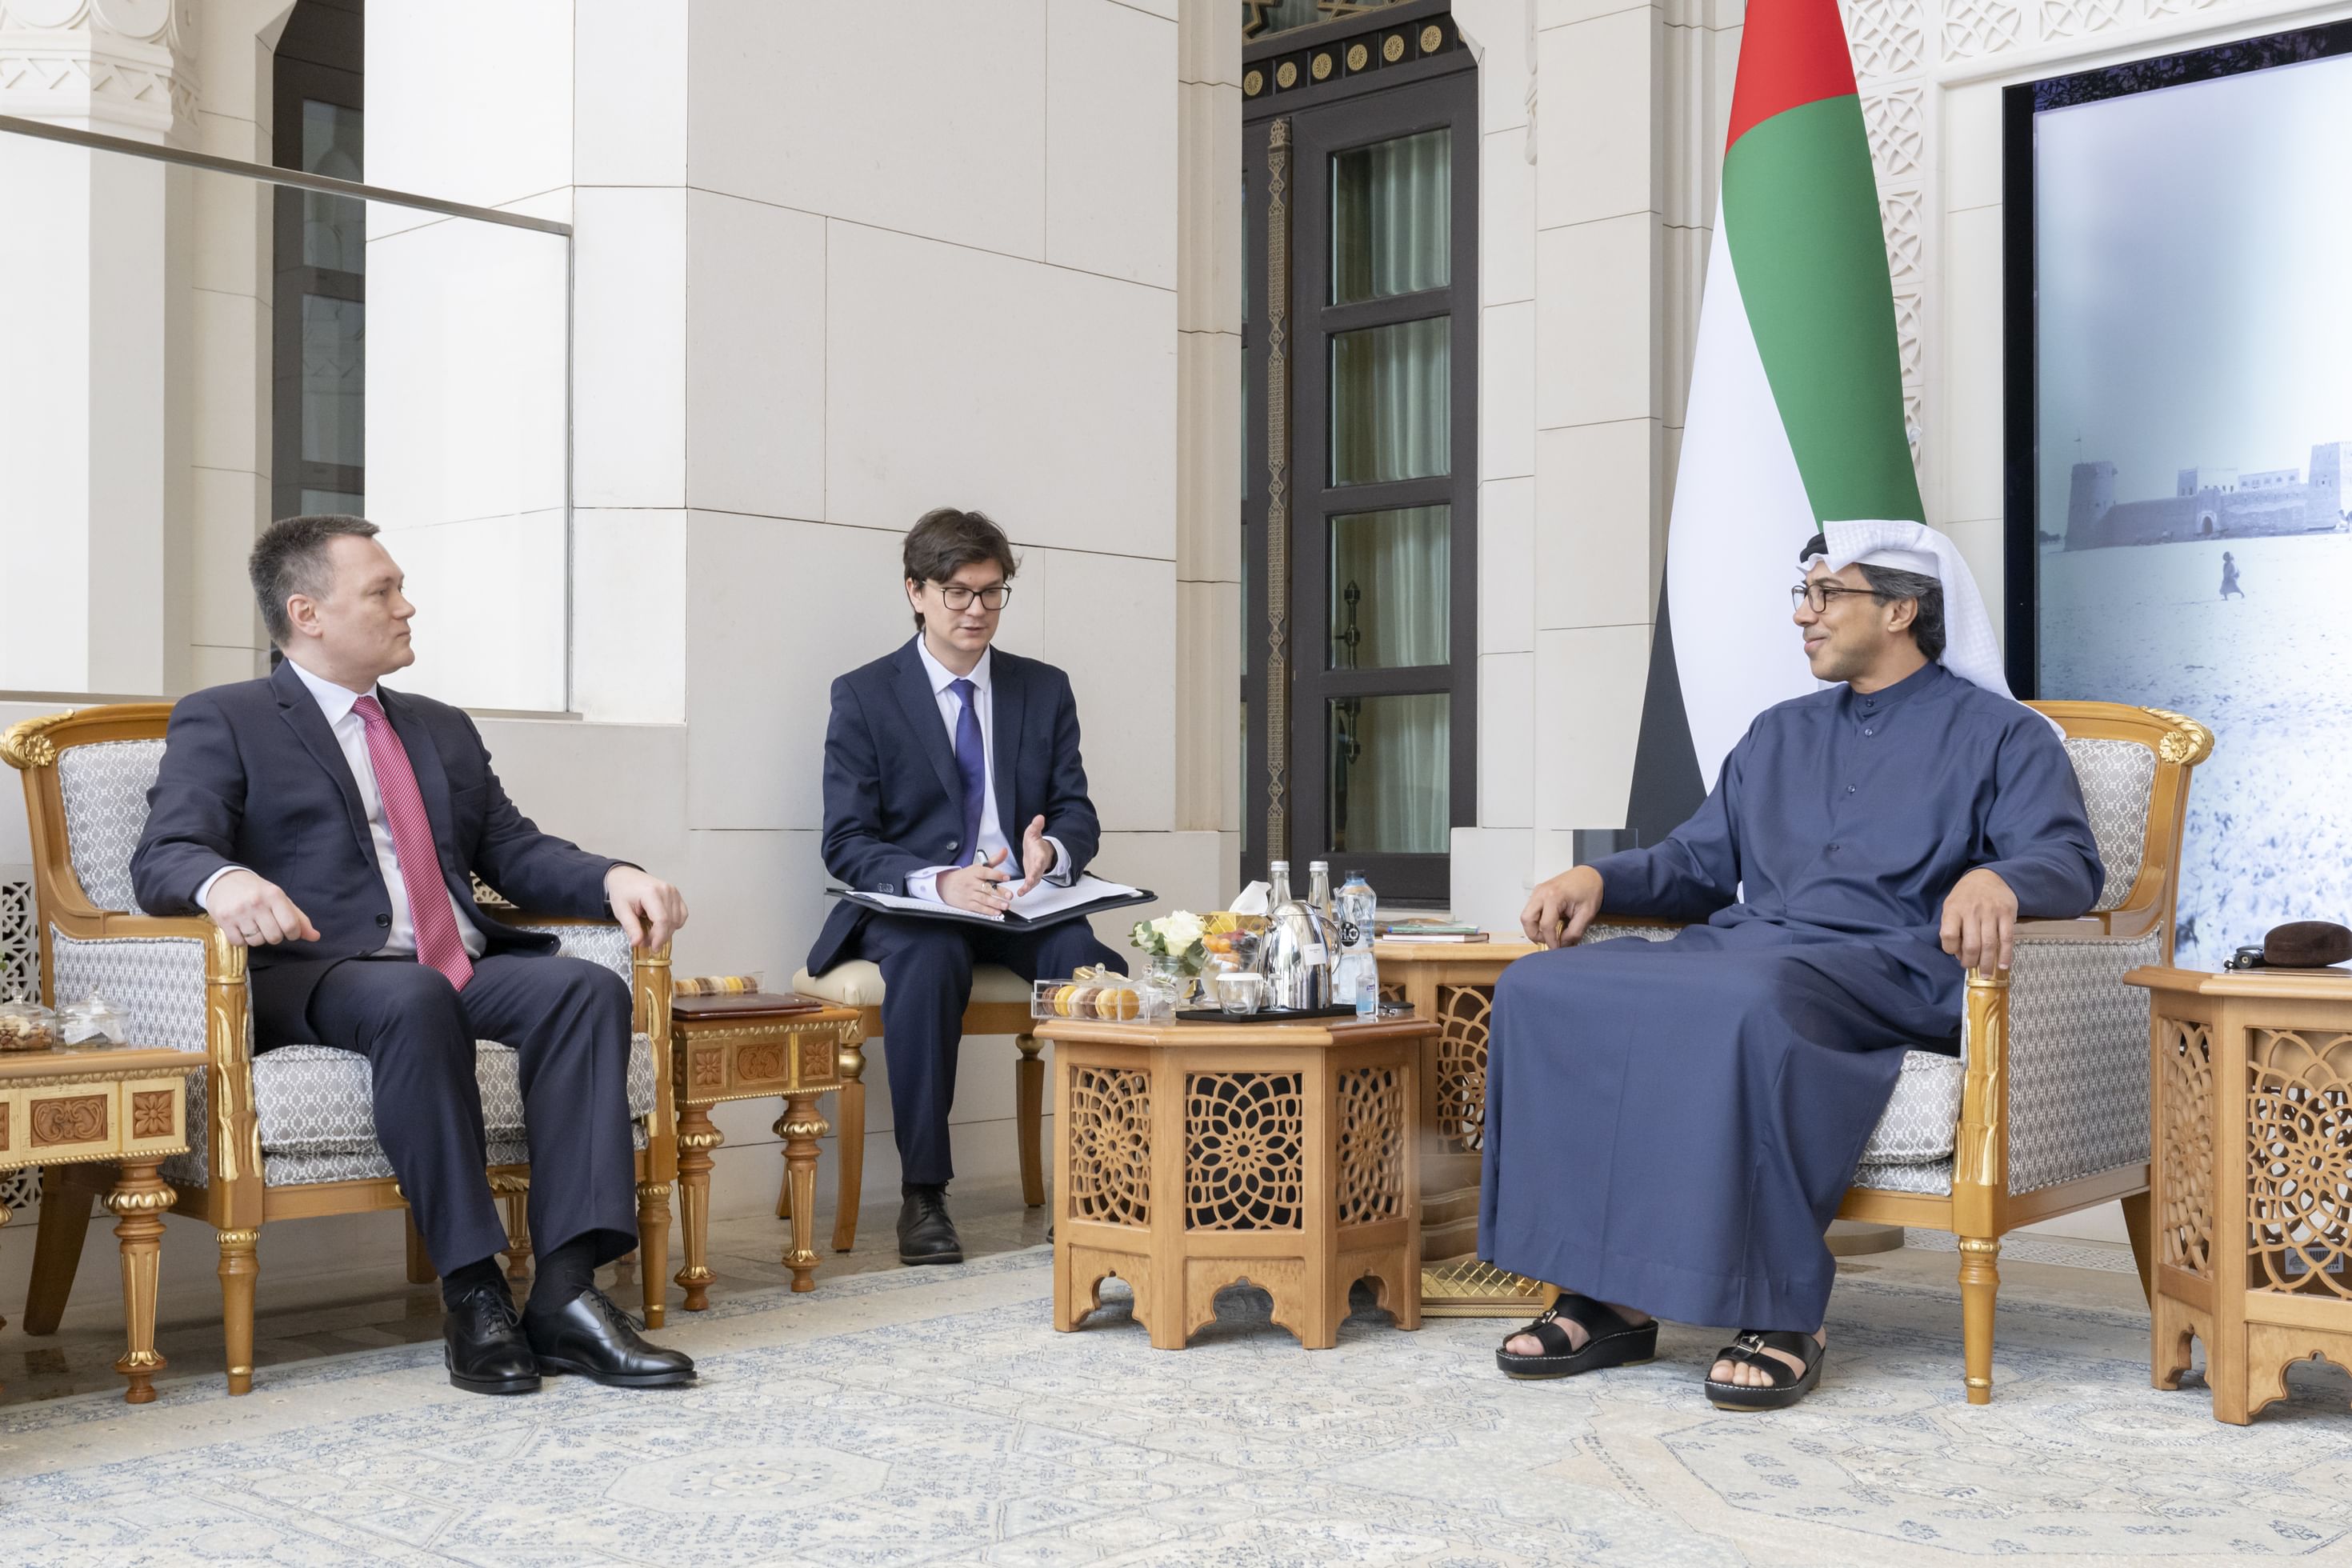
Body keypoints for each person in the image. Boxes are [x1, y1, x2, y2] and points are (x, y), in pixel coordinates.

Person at [1482, 520, 2103, 1410]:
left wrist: (1998, 877)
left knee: (1751, 997)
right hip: (1752, 954)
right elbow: (1697, 863)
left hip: (1887, 967)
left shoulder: (2005, 735)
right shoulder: (1776, 733)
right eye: (1802, 595)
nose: (1804, 615)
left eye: (1826, 594)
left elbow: (2070, 861)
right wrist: (1598, 877)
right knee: (1539, 986)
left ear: (1900, 610)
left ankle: (1781, 1312)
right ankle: (1605, 1295)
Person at [131, 514, 696, 1397]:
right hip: (320, 974)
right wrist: (225, 880)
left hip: (454, 962)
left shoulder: (439, 726)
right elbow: (165, 854)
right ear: (307, 612)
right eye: (383, 591)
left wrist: (612, 875)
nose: (407, 606)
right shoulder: (228, 718)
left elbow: (511, 849)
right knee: (415, 1000)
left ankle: (565, 1295)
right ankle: (473, 1292)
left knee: (584, 988)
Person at [808, 507, 1123, 1265]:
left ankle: (1101, 1181)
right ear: (915, 592)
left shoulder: (1042, 689)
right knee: (930, 961)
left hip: (1020, 901)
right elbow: (846, 843)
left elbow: (1076, 809)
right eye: (958, 592)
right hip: (920, 907)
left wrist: (1052, 849)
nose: (977, 610)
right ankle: (924, 1195)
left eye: (991, 592)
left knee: (1089, 966)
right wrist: (942, 882)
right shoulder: (864, 695)